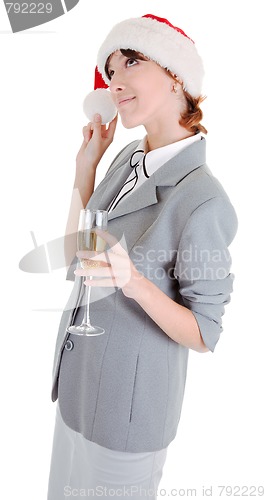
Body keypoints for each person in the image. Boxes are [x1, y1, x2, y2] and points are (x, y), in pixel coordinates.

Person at [47, 13, 238, 500]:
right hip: (76, 394)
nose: (116, 81)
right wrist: (85, 169)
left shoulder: (203, 199)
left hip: (128, 420)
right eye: (110, 70)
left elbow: (204, 333)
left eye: (131, 61)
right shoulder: (126, 159)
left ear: (176, 75)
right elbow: (77, 260)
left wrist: (132, 281)